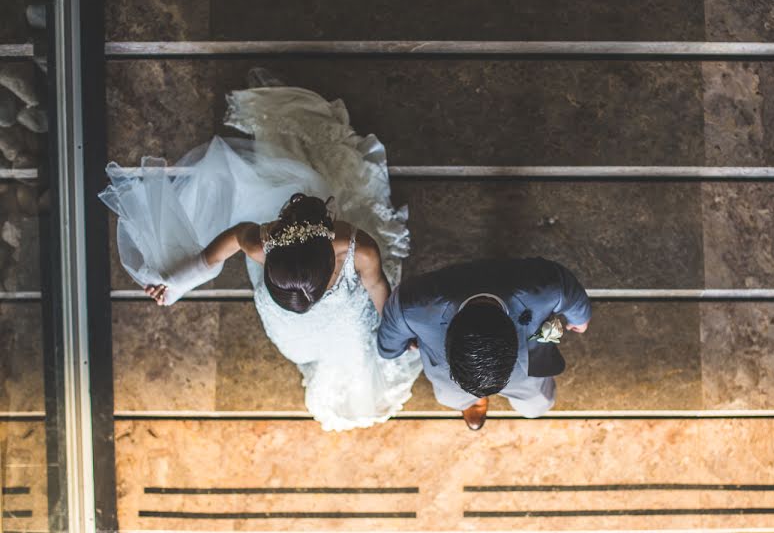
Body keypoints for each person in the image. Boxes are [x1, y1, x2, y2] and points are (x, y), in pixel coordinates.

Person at [100, 69, 421, 431]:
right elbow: (209, 258)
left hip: (311, 325)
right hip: (299, 324)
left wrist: (395, 327)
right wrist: (177, 284)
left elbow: (379, 288)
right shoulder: (327, 245)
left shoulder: (318, 246)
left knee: (340, 345)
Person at [377, 258, 591, 430]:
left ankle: (482, 400)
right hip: (450, 377)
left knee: (537, 405)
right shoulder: (411, 304)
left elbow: (569, 292)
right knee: (451, 396)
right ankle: (468, 401)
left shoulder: (546, 285)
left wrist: (580, 318)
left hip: (523, 368)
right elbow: (388, 348)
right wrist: (578, 321)